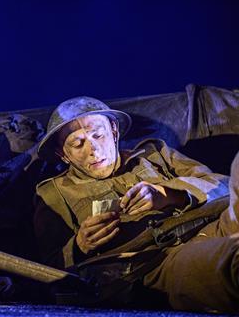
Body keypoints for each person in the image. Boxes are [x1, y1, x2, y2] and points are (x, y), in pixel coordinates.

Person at [33, 96, 239, 313]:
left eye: (98, 135)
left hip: (217, 223)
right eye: (78, 144)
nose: (93, 149)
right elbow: (45, 270)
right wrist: (79, 246)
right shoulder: (53, 195)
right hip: (160, 260)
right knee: (231, 260)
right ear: (62, 154)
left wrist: (168, 194)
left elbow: (224, 184)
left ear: (114, 131)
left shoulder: (155, 154)